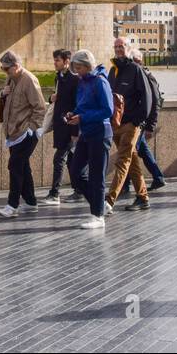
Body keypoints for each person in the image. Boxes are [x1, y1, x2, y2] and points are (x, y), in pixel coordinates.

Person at [65, 50, 114, 229]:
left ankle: (98, 216)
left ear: (87, 66)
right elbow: (83, 105)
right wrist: (74, 113)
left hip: (100, 133)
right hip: (86, 132)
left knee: (96, 176)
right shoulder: (83, 81)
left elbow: (108, 110)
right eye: (75, 68)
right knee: (76, 172)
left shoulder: (100, 81)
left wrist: (82, 118)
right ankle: (100, 204)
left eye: (78, 68)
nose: (76, 71)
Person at [106, 39, 153, 213]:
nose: (119, 49)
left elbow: (147, 97)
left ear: (128, 49)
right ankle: (142, 197)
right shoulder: (113, 70)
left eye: (122, 46)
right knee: (131, 161)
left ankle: (109, 200)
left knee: (122, 161)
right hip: (116, 124)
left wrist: (138, 121)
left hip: (131, 125)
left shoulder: (135, 69)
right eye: (116, 46)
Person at [0, 51, 44, 217]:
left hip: (25, 133)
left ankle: (12, 205)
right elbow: (9, 103)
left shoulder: (29, 80)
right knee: (23, 167)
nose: (4, 71)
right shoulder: (11, 78)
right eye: (3, 68)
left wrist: (30, 130)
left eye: (6, 69)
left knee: (14, 166)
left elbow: (40, 108)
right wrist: (3, 94)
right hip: (13, 133)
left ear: (16, 66)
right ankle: (31, 202)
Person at [40, 49, 80, 205]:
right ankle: (79, 190)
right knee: (70, 160)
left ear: (66, 61)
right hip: (59, 125)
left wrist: (75, 131)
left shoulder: (74, 80)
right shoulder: (58, 78)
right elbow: (57, 99)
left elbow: (77, 105)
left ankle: (54, 194)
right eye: (54, 60)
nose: (55, 63)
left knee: (59, 159)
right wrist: (51, 98)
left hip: (69, 126)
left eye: (57, 60)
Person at [133, 53, 167, 190]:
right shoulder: (135, 76)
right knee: (142, 150)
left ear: (139, 61)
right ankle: (158, 178)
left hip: (142, 122)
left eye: (133, 61)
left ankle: (126, 184)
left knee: (130, 153)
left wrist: (151, 126)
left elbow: (155, 102)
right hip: (135, 121)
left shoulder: (147, 77)